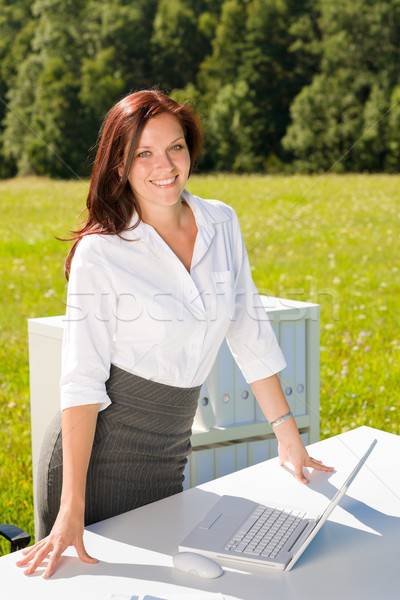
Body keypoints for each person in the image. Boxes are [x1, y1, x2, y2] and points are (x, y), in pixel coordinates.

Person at [17, 89, 333, 579]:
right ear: (119, 165)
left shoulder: (221, 222)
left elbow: (248, 329)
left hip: (169, 452)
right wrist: (70, 509)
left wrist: (289, 438)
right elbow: (81, 385)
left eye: (175, 147)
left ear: (191, 149)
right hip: (98, 459)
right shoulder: (102, 253)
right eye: (143, 153)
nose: (163, 165)